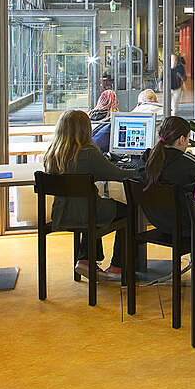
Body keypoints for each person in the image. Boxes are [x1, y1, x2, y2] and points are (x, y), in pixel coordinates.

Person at [44, 109, 135, 280]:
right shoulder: (88, 154)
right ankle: (118, 266)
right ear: (86, 129)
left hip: (61, 213)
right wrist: (140, 171)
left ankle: (86, 259)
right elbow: (117, 175)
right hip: (87, 214)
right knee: (129, 211)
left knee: (92, 204)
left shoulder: (52, 154)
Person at [132, 116, 195, 244]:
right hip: (185, 228)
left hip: (157, 221)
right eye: (188, 138)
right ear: (181, 139)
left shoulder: (147, 158)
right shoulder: (187, 163)